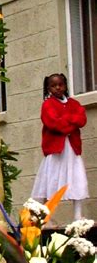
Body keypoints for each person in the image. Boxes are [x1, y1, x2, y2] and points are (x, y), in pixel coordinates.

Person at [31, 73, 88, 220]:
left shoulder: (74, 104)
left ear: (65, 85)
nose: (57, 88)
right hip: (55, 149)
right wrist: (70, 122)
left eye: (60, 84)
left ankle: (77, 215)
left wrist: (66, 119)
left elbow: (81, 119)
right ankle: (46, 217)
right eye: (53, 85)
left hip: (72, 148)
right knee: (52, 179)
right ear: (48, 88)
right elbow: (53, 123)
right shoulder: (48, 105)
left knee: (76, 177)